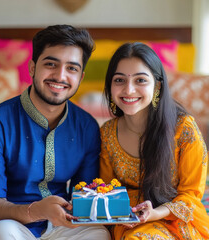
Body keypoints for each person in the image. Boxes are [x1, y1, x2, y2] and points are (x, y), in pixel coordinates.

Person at [0, 25, 111, 240]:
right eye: (51, 64)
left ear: (80, 77)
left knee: (98, 234)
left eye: (71, 68)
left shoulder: (87, 126)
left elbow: (84, 193)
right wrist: (37, 211)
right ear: (32, 67)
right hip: (6, 223)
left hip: (62, 223)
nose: (60, 76)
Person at [100, 42, 209, 239]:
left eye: (140, 80)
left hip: (176, 216)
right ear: (110, 85)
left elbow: (192, 194)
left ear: (157, 86)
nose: (129, 90)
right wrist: (119, 215)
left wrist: (157, 213)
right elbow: (106, 190)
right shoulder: (107, 133)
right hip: (130, 220)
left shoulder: (184, 129)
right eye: (119, 80)